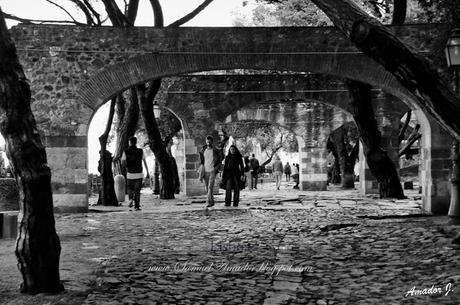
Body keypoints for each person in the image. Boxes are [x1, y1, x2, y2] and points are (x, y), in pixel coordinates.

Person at [121, 136, 149, 210]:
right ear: (136, 142)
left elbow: (122, 162)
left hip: (130, 173)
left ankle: (130, 200)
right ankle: (137, 206)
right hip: (139, 173)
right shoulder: (140, 151)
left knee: (130, 189)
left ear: (129, 142)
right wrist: (147, 172)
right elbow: (144, 162)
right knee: (137, 191)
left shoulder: (125, 151)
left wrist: (126, 167)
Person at [199, 135, 222, 207]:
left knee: (210, 187)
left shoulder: (215, 150)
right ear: (206, 141)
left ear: (212, 142)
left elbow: (220, 160)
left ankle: (209, 202)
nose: (208, 142)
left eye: (209, 141)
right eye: (207, 141)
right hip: (205, 171)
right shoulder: (203, 150)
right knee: (207, 188)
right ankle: (212, 202)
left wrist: (216, 168)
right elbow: (201, 161)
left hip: (212, 170)